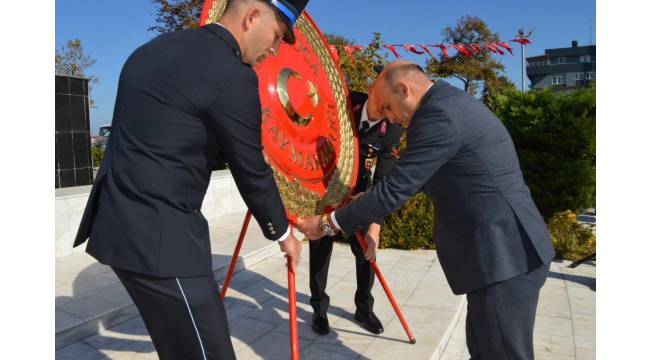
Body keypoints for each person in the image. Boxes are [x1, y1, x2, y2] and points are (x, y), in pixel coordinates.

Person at [73, 1, 309, 359]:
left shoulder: (153, 50)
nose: (274, 49)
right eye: (277, 36)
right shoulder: (232, 74)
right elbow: (251, 170)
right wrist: (283, 233)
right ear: (251, 18)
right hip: (162, 243)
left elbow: (170, 136)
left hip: (115, 226)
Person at [298, 60, 556, 360]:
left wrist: (328, 224)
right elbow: (420, 176)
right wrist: (368, 198)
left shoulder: (440, 116)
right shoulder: (445, 104)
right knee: (485, 350)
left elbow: (398, 187)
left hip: (505, 255)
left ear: (404, 90)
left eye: (387, 108)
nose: (390, 120)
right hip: (499, 255)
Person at [309, 76, 404, 335]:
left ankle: (364, 308)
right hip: (326, 188)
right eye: (379, 104)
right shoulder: (344, 102)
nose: (382, 113)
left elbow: (384, 180)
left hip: (358, 194)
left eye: (388, 109)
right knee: (320, 249)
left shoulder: (393, 129)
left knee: (366, 255)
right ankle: (319, 309)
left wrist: (375, 227)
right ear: (371, 88)